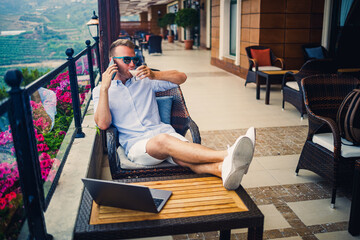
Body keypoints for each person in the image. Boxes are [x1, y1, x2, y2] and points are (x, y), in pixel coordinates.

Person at [93, 39, 256, 190]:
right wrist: (104, 89)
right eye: (126, 60)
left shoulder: (145, 80)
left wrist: (155, 74)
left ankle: (222, 169)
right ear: (112, 63)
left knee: (182, 158)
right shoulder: (102, 91)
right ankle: (228, 154)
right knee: (164, 140)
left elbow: (181, 77)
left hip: (165, 135)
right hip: (137, 146)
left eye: (134, 60)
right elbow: (103, 124)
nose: (132, 64)